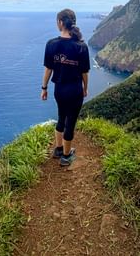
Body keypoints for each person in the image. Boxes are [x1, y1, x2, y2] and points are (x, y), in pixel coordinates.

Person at [41, 9, 90, 166]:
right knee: (71, 122)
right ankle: (66, 157)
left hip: (59, 90)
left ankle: (59, 149)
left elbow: (48, 69)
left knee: (61, 117)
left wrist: (44, 88)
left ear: (60, 23)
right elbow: (84, 72)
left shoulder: (51, 44)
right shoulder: (81, 47)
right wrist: (85, 88)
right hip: (74, 90)